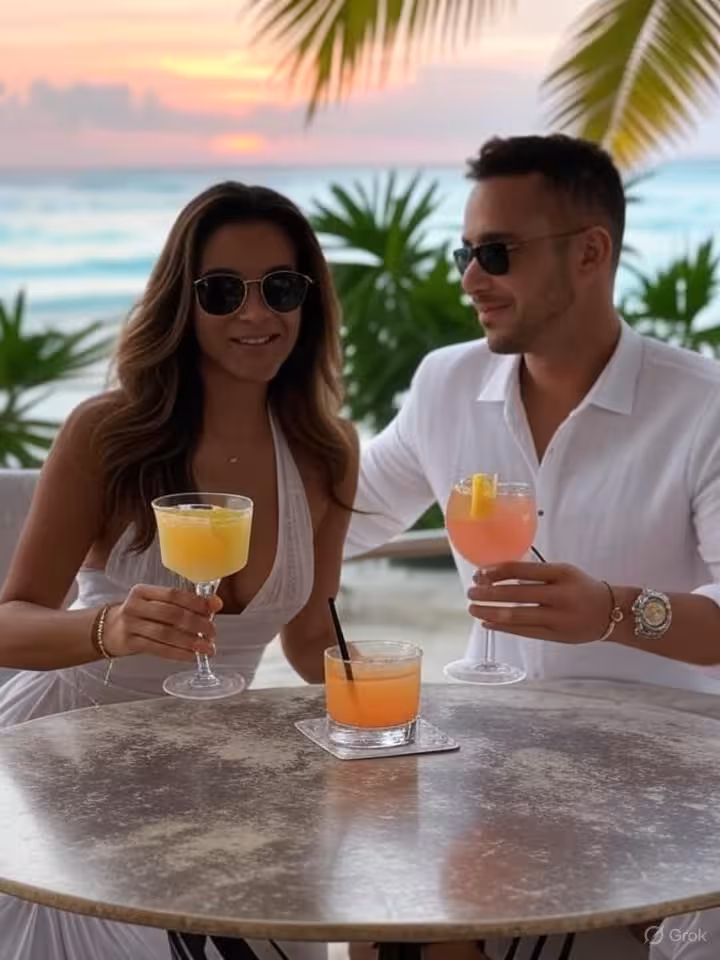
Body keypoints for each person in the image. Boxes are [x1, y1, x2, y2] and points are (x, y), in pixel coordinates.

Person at [344, 135, 720, 960]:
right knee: (370, 906)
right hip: (487, 754)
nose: (471, 278)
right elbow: (349, 513)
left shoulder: (702, 408)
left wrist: (614, 612)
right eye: (465, 253)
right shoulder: (446, 382)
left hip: (664, 775)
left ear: (592, 252)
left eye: (497, 253)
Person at [0, 182, 358, 960]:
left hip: (211, 760)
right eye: (223, 291)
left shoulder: (329, 451)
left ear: (309, 302)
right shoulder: (109, 433)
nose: (256, 315)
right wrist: (109, 628)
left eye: (281, 289)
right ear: (182, 304)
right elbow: (10, 622)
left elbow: (305, 638)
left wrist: (378, 690)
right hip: (67, 752)